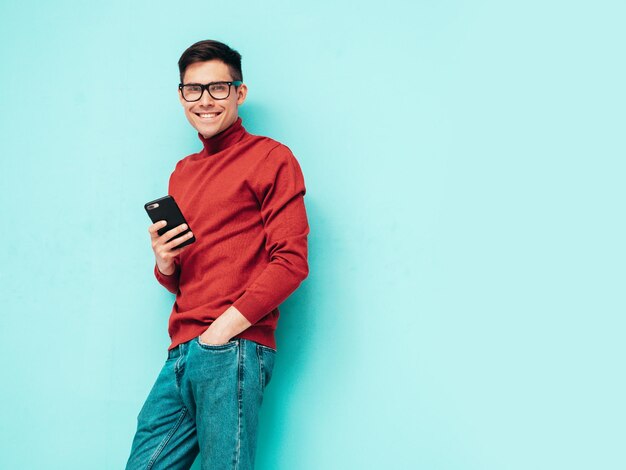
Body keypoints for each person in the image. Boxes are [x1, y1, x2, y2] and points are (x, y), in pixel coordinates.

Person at [125, 39, 310, 470]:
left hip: (229, 347)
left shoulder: (271, 158)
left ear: (239, 93)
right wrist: (165, 264)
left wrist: (219, 333)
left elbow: (291, 262)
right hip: (181, 350)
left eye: (218, 88)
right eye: (194, 89)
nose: (204, 101)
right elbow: (190, 273)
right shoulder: (182, 172)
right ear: (180, 95)